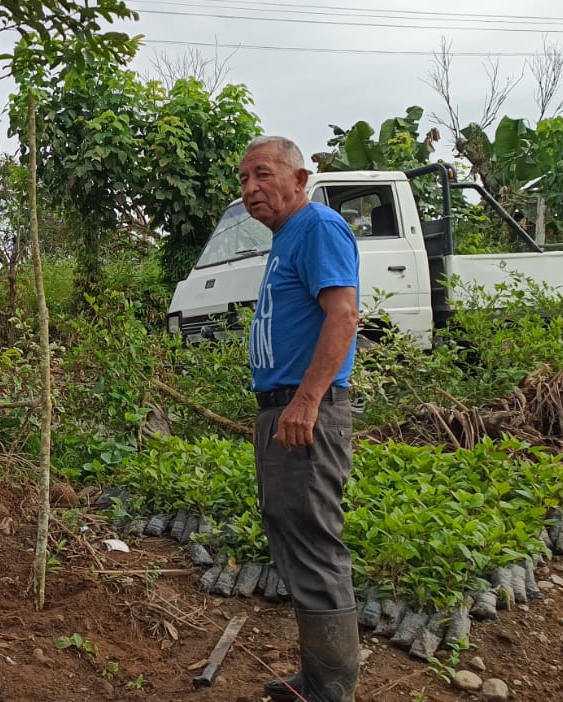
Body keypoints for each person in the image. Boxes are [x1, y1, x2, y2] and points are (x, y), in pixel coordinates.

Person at [240, 136, 362, 702]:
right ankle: (316, 680)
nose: (251, 189)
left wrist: (307, 401)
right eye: (244, 180)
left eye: (263, 174)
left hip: (304, 412)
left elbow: (344, 315)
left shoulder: (317, 227)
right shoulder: (287, 238)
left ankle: (331, 690)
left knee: (313, 543)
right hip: (282, 411)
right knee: (290, 530)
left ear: (300, 178)